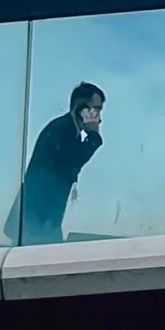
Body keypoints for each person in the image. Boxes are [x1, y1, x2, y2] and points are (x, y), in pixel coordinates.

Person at [9, 83, 105, 246]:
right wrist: (94, 135)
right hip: (37, 220)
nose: (99, 117)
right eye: (95, 109)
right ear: (81, 108)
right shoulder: (62, 130)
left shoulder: (66, 129)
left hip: (40, 219)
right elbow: (73, 163)